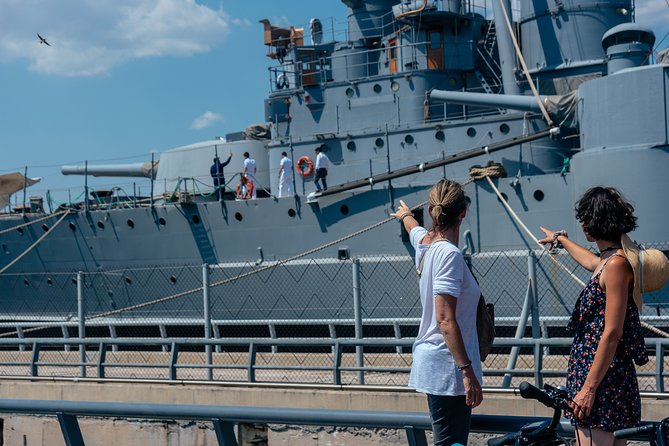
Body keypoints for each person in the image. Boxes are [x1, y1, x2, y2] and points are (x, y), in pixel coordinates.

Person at [538, 186, 648, 446]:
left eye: (585, 217)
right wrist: (561, 240)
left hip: (603, 380)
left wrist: (588, 388)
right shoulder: (608, 260)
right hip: (599, 375)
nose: (581, 223)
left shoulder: (617, 265)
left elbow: (612, 332)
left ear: (596, 220)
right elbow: (590, 262)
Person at [390, 179, 483, 446]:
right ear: (463, 212)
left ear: (432, 210)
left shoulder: (427, 245)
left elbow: (414, 230)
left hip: (438, 363)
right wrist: (467, 371)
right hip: (449, 367)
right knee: (451, 443)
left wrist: (406, 215)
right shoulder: (450, 255)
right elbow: (445, 319)